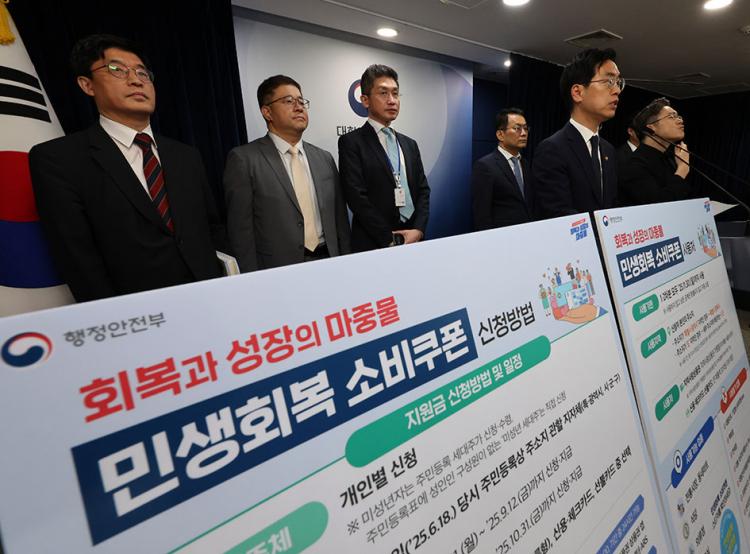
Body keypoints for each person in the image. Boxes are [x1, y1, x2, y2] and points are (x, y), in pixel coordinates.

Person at [29, 34, 223, 303]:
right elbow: (77, 258)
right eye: (117, 69)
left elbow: (211, 229)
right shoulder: (58, 159)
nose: (136, 80)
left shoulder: (186, 155)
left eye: (142, 72)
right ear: (87, 85)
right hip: (133, 313)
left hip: (208, 300)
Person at [224, 75, 350, 272]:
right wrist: (250, 280)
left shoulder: (324, 158)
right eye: (289, 101)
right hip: (278, 270)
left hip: (330, 262)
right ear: (267, 112)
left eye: (301, 101)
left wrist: (347, 264)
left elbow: (340, 221)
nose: (299, 107)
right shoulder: (244, 159)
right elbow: (241, 232)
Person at [338, 64, 430, 251]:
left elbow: (423, 191)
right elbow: (356, 198)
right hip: (374, 243)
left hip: (413, 241)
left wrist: (418, 229)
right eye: (383, 93)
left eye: (395, 94)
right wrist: (390, 239)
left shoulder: (409, 144)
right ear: (365, 100)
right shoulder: (352, 142)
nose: (392, 100)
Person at [533, 48, 622, 218]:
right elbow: (559, 216)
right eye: (609, 81)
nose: (617, 90)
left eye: (618, 82)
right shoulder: (552, 149)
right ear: (578, 92)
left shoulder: (608, 150)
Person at [618, 97, 696, 206]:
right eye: (671, 116)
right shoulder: (634, 163)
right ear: (651, 127)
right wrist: (682, 169)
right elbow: (658, 207)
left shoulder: (670, 159)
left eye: (678, 116)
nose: (680, 121)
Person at [471, 108, 534, 230]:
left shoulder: (525, 164)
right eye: (517, 128)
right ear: (500, 134)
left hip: (527, 233)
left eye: (526, 128)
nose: (524, 133)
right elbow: (482, 214)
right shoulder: (485, 166)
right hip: (502, 237)